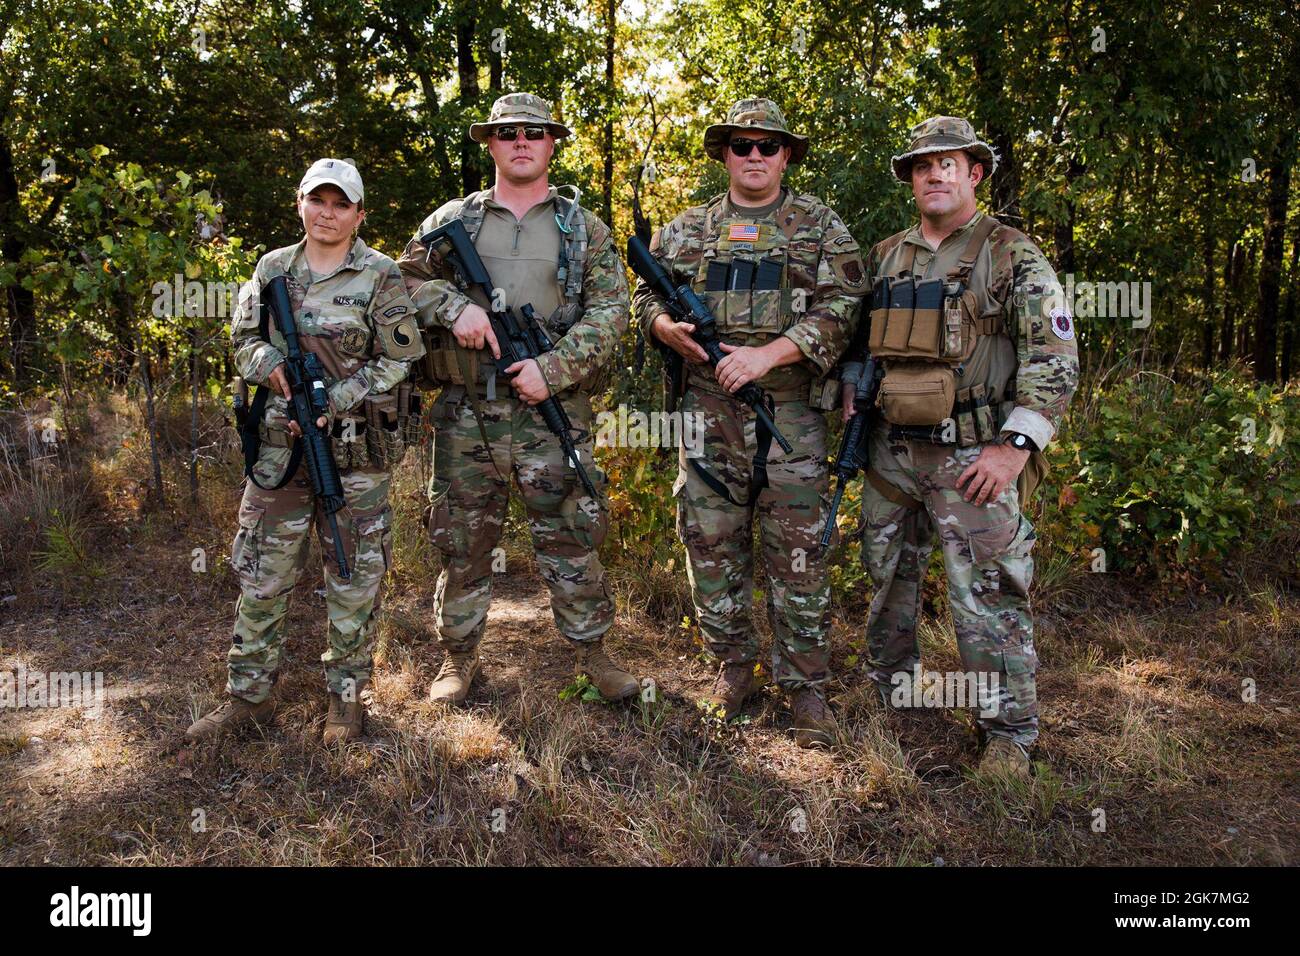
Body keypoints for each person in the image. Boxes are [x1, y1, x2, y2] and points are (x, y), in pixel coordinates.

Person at [839, 116, 1079, 776]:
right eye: (923, 166)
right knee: (886, 576)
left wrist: (1014, 448)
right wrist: (853, 385)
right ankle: (892, 692)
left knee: (989, 595)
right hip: (891, 452)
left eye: (948, 164)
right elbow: (857, 340)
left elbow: (1055, 356)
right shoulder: (886, 255)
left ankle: (1008, 733)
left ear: (974, 173)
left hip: (975, 455)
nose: (934, 175)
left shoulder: (1010, 253)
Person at [631, 98, 867, 747]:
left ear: (786, 155)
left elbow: (846, 303)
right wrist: (663, 327)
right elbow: (645, 294)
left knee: (798, 549)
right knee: (710, 542)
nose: (755, 156)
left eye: (768, 146)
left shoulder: (819, 226)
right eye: (742, 145)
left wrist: (771, 354)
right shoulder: (687, 230)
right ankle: (732, 669)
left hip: (790, 411)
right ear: (725, 155)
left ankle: (806, 686)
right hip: (708, 411)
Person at [397, 93, 638, 705]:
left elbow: (613, 311)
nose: (521, 142)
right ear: (491, 144)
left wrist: (552, 369)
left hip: (552, 409)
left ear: (552, 142)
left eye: (534, 132)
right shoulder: (454, 220)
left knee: (571, 529)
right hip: (468, 409)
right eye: (508, 133)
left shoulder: (583, 228)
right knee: (462, 535)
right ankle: (458, 658)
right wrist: (454, 307)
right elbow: (402, 280)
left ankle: (593, 654)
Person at [186, 158, 424, 744]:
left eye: (341, 204)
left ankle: (346, 700)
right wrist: (271, 366)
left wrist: (334, 398)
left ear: (359, 214)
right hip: (278, 453)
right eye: (318, 200)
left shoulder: (381, 274)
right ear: (300, 203)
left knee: (352, 578)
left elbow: (401, 358)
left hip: (356, 454)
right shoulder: (272, 268)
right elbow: (243, 339)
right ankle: (248, 698)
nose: (327, 213)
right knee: (261, 576)